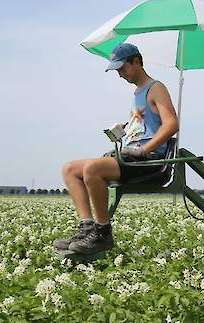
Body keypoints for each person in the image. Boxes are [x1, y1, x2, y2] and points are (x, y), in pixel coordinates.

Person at [55, 42, 179, 255]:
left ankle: (102, 234)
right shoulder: (137, 93)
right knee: (69, 169)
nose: (120, 74)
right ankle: (87, 228)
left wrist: (144, 150)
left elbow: (171, 124)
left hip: (149, 162)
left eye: (122, 68)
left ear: (137, 61)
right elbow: (145, 123)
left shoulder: (156, 88)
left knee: (93, 168)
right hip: (130, 156)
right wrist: (127, 127)